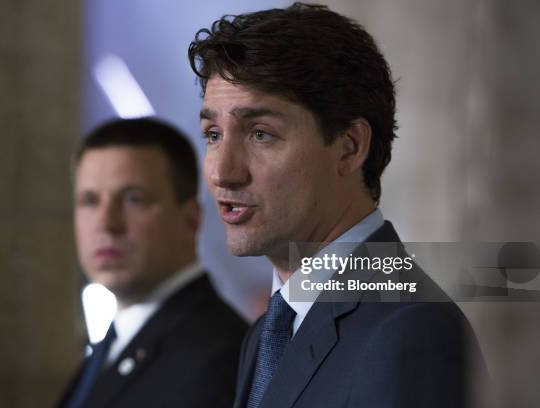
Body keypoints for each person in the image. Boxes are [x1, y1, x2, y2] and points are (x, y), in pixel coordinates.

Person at [189, 3, 485, 408]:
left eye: (260, 134)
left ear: (349, 147)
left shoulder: (413, 332)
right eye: (213, 134)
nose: (223, 172)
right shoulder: (266, 334)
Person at [58, 118, 247, 408]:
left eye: (134, 199)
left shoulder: (218, 358)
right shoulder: (112, 343)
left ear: (190, 220)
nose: (107, 224)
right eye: (90, 201)